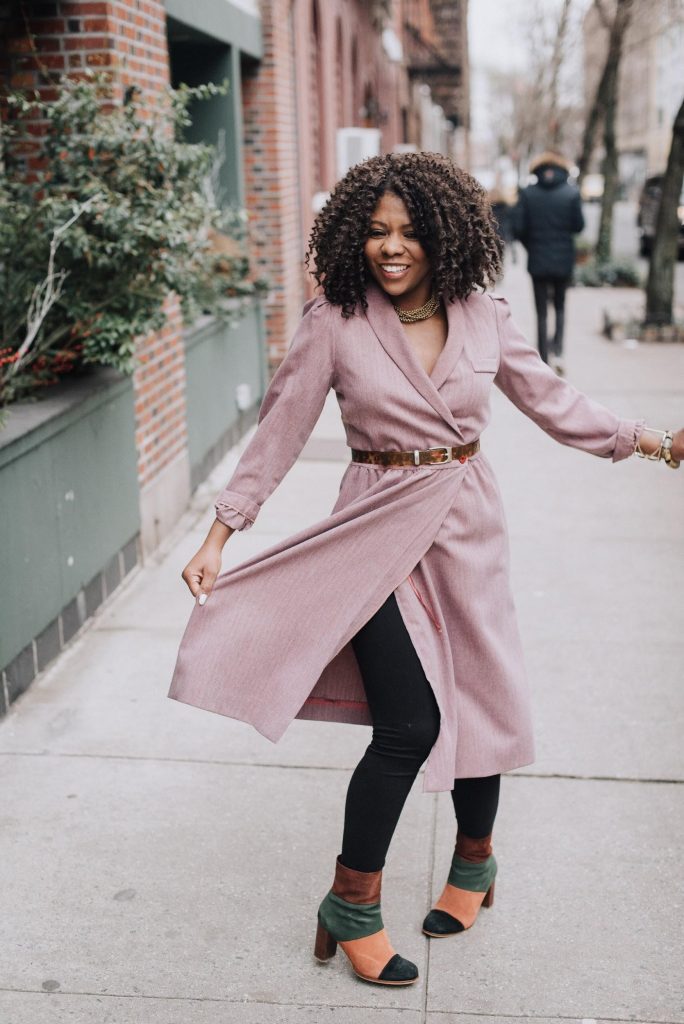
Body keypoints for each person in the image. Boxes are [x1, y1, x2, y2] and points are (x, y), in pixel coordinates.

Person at [169, 152, 682, 989]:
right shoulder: (335, 320)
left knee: (480, 697)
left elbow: (553, 401)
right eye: (375, 232)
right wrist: (223, 529)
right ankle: (352, 904)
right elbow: (280, 429)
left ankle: (474, 866)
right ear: (353, 239)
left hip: (468, 522)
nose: (391, 248)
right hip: (374, 528)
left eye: (408, 231)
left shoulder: (484, 315)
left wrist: (654, 441)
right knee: (408, 724)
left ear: (442, 232)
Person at [514, 151, 585, 374]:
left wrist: (532, 245)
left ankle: (543, 358)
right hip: (563, 261)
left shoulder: (528, 194)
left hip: (538, 260)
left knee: (541, 311)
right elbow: (578, 226)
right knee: (561, 307)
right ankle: (559, 352)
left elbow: (518, 228)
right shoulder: (572, 193)